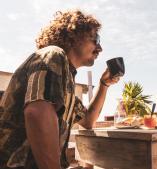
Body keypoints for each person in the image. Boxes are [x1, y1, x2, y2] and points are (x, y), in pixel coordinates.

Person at [0, 10, 120, 169]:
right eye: (95, 39)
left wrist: (104, 84)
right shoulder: (54, 54)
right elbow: (37, 113)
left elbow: (88, 120)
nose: (100, 47)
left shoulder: (66, 81)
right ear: (73, 35)